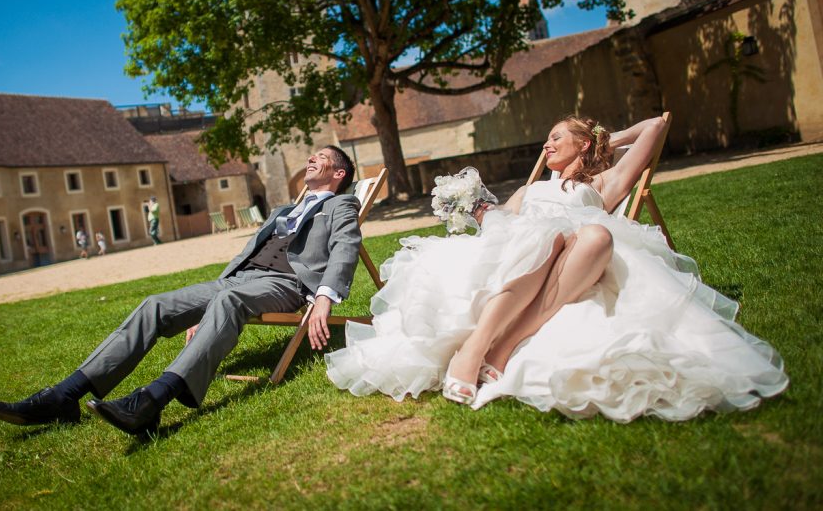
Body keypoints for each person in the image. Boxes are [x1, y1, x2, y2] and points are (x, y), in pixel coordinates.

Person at [326, 116, 788, 422]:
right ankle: (480, 349)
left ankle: (503, 342)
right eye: (547, 140)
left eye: (556, 138)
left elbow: (653, 128)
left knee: (598, 234)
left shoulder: (605, 182)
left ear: (583, 144)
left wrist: (604, 140)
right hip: (527, 253)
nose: (546, 145)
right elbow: (499, 230)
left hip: (582, 254)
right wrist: (480, 210)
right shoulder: (530, 192)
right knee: (544, 233)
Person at [0, 146, 361, 435]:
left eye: (322, 157)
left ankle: (151, 401)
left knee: (227, 300)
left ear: (339, 172)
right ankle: (64, 395)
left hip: (284, 284)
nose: (312, 157)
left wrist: (325, 296)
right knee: (155, 305)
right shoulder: (281, 210)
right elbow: (244, 257)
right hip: (234, 281)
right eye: (312, 154)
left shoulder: (342, 204)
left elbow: (345, 247)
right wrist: (207, 309)